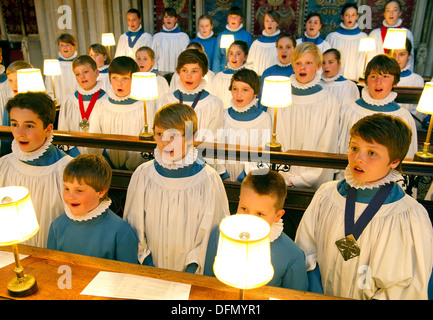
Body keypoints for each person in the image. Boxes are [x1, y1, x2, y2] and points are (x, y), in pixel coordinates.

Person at [295, 113, 433, 299]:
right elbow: (306, 250)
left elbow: (405, 286)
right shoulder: (326, 196)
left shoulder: (409, 216)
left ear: (394, 161)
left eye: (372, 152)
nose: (358, 158)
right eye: (354, 148)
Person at [123, 103, 230, 274]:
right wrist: (146, 261)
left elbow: (212, 233)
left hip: (192, 273)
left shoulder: (208, 179)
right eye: (159, 134)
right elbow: (134, 225)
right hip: (150, 268)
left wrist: (193, 268)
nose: (165, 142)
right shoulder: (144, 175)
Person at [204, 169, 309, 290]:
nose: (249, 219)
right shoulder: (220, 233)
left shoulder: (293, 255)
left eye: (260, 213)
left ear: (278, 215)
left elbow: (296, 297)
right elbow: (207, 282)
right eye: (244, 208)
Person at [0, 92, 72, 248]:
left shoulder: (66, 170)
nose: (20, 133)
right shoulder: (3, 166)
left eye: (29, 126)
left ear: (47, 129)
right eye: (14, 124)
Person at [47, 154, 138, 264]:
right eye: (67, 188)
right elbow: (51, 267)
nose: (70, 197)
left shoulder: (121, 232)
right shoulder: (57, 226)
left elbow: (127, 276)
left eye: (79, 190)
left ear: (100, 192)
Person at [271, 42, 339, 189]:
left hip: (315, 177)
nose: (302, 67)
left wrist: (306, 178)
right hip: (283, 178)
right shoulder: (280, 95)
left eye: (308, 63)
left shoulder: (329, 100)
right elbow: (275, 136)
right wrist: (285, 176)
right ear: (293, 66)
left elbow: (327, 143)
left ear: (318, 66)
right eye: (298, 63)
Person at [338, 54, 418, 160]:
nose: (378, 82)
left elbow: (408, 156)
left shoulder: (403, 117)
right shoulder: (348, 111)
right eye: (373, 76)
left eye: (385, 76)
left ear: (395, 82)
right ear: (366, 80)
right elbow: (336, 148)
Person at [88, 56, 151, 171]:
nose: (119, 84)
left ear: (134, 79)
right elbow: (94, 135)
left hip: (134, 168)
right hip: (104, 167)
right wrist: (103, 161)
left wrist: (129, 166)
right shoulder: (101, 104)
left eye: (125, 78)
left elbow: (146, 142)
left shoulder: (144, 106)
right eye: (115, 78)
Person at [157, 49, 223, 144]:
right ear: (178, 72)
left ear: (203, 73)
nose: (189, 76)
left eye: (194, 71)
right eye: (184, 70)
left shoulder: (214, 104)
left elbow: (214, 140)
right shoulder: (166, 101)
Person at [218, 69, 271, 182]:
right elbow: (216, 148)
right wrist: (222, 173)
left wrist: (246, 176)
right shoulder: (222, 115)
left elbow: (263, 154)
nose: (238, 94)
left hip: (250, 180)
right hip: (223, 178)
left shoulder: (264, 118)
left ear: (255, 92)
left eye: (245, 90)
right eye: (235, 89)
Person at [58, 55, 107, 156]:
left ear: (97, 72)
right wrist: (76, 155)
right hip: (74, 156)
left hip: (102, 157)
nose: (82, 77)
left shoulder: (107, 100)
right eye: (77, 74)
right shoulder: (69, 101)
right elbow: (63, 132)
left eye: (85, 72)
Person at [325, 3, 368, 81]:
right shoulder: (333, 37)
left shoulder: (363, 37)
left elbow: (365, 60)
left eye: (353, 15)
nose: (350, 18)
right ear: (342, 17)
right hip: (335, 80)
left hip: (356, 80)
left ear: (357, 17)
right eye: (347, 15)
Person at [367, 0, 415, 71]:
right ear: (384, 14)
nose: (391, 13)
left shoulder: (407, 33)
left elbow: (410, 60)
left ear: (400, 13)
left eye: (395, 10)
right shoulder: (374, 33)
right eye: (388, 10)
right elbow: (369, 58)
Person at [1, 61, 33, 156]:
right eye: (10, 80)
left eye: (18, 80)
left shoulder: (37, 104)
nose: (14, 85)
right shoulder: (9, 103)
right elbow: (5, 135)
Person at [259, 34, 296, 111]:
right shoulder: (268, 73)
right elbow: (261, 100)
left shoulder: (298, 73)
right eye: (280, 47)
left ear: (294, 49)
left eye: (288, 47)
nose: (284, 51)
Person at [393, 39, 425, 124]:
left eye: (402, 54)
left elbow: (419, 112)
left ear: (409, 56)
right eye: (393, 54)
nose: (397, 59)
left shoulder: (416, 80)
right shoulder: (381, 78)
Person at [212, 6, 253, 73]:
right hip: (224, 70)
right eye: (231, 17)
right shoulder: (221, 35)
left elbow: (250, 56)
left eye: (236, 17)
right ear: (227, 19)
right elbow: (217, 56)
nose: (233, 19)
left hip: (241, 70)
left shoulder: (246, 36)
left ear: (241, 19)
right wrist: (216, 72)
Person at [211, 40, 248, 109]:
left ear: (245, 57)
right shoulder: (219, 77)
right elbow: (214, 100)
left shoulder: (248, 77)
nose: (234, 57)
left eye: (238, 54)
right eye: (231, 53)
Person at [151, 7, 189, 73]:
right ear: (163, 19)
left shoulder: (183, 37)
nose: (168, 19)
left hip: (178, 72)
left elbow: (186, 56)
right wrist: (156, 70)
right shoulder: (157, 37)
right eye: (166, 17)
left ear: (175, 19)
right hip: (161, 72)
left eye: (171, 17)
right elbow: (154, 56)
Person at [45, 33, 79, 105]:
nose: (65, 48)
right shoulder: (53, 65)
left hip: (77, 103)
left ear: (74, 46)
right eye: (62, 45)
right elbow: (49, 88)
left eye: (67, 45)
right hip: (60, 103)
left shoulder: (80, 64)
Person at [246, 10, 281, 76]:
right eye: (267, 21)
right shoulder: (256, 44)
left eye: (272, 21)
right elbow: (249, 65)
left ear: (277, 23)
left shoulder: (281, 43)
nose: (269, 24)